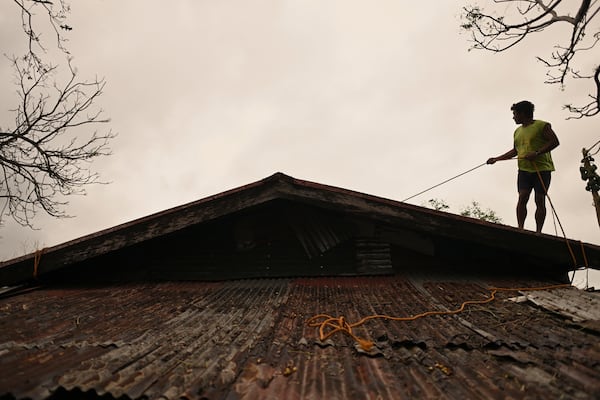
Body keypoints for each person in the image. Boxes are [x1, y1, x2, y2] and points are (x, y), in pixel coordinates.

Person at [487, 100, 560, 233]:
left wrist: (537, 153)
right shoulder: (517, 132)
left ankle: (539, 231)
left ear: (523, 113)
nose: (513, 117)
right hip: (524, 169)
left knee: (539, 199)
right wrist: (496, 159)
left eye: (515, 114)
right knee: (523, 197)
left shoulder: (541, 126)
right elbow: (515, 151)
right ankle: (520, 229)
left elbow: (555, 142)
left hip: (542, 169)